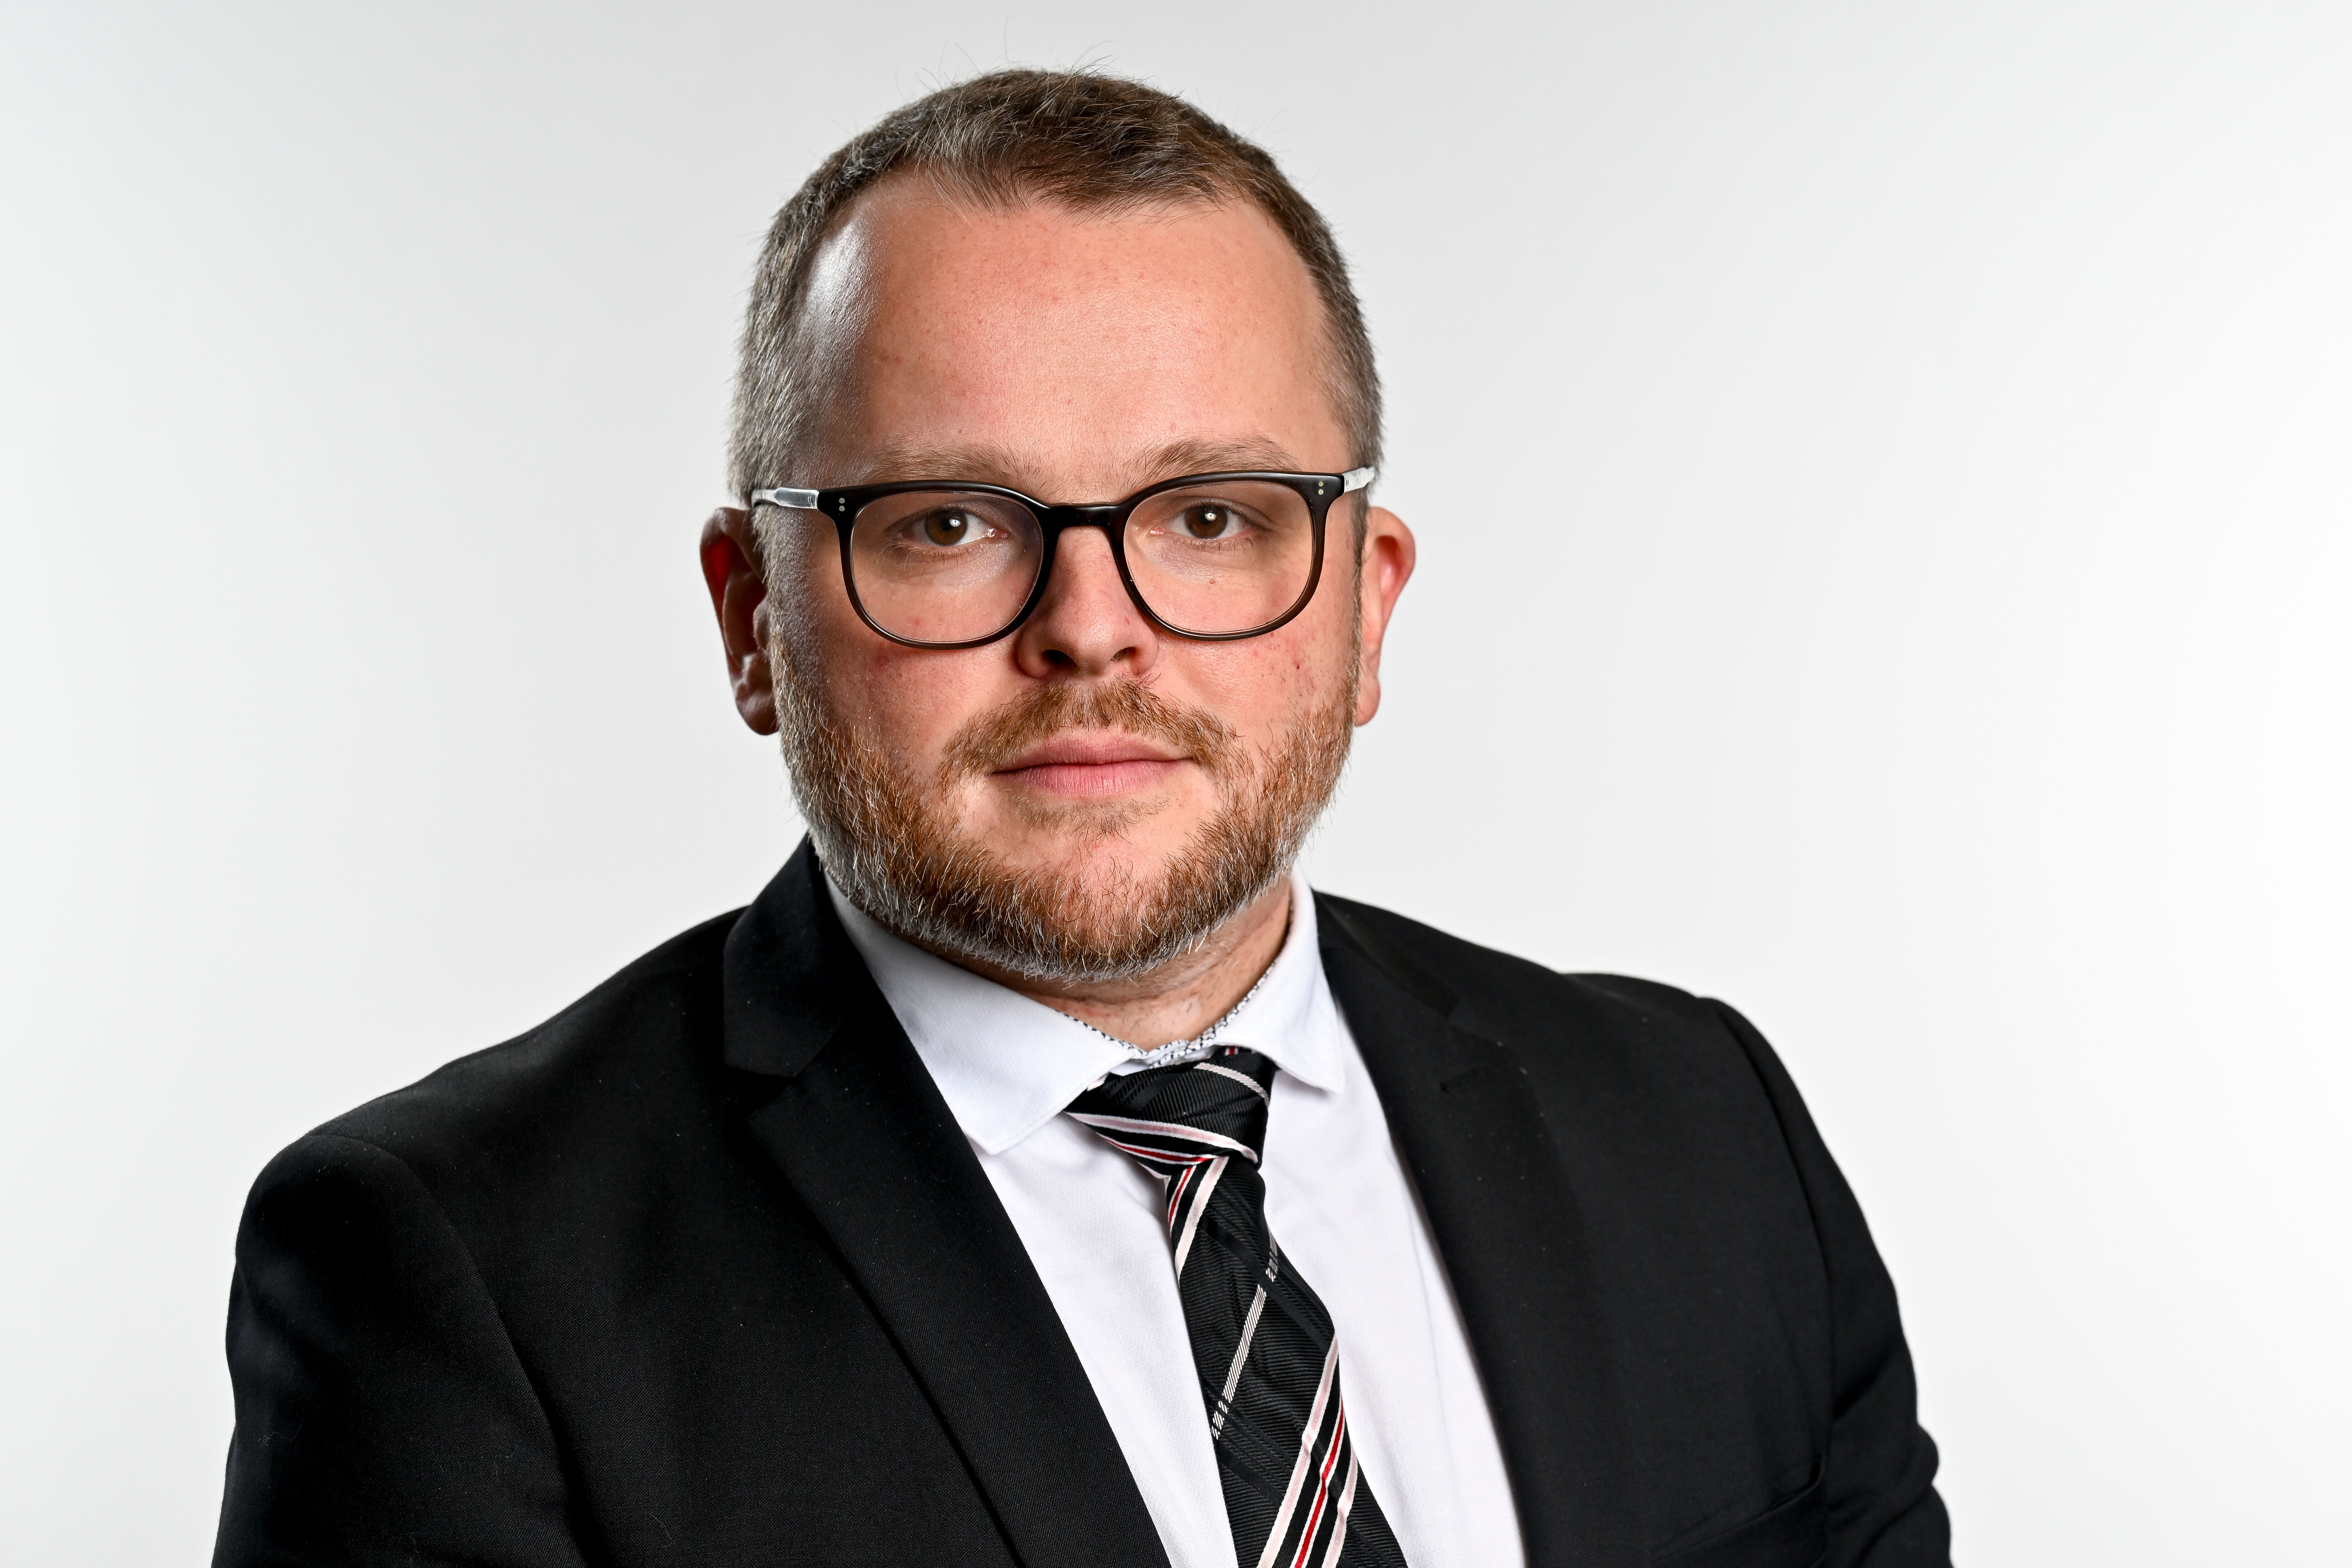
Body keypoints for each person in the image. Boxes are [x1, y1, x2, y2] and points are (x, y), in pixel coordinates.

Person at [212, 69, 1950, 1568]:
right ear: (753, 620)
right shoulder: (459, 1272)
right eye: (948, 523)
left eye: (1211, 516)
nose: (1092, 629)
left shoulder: (1705, 1132)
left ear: (1366, 607)